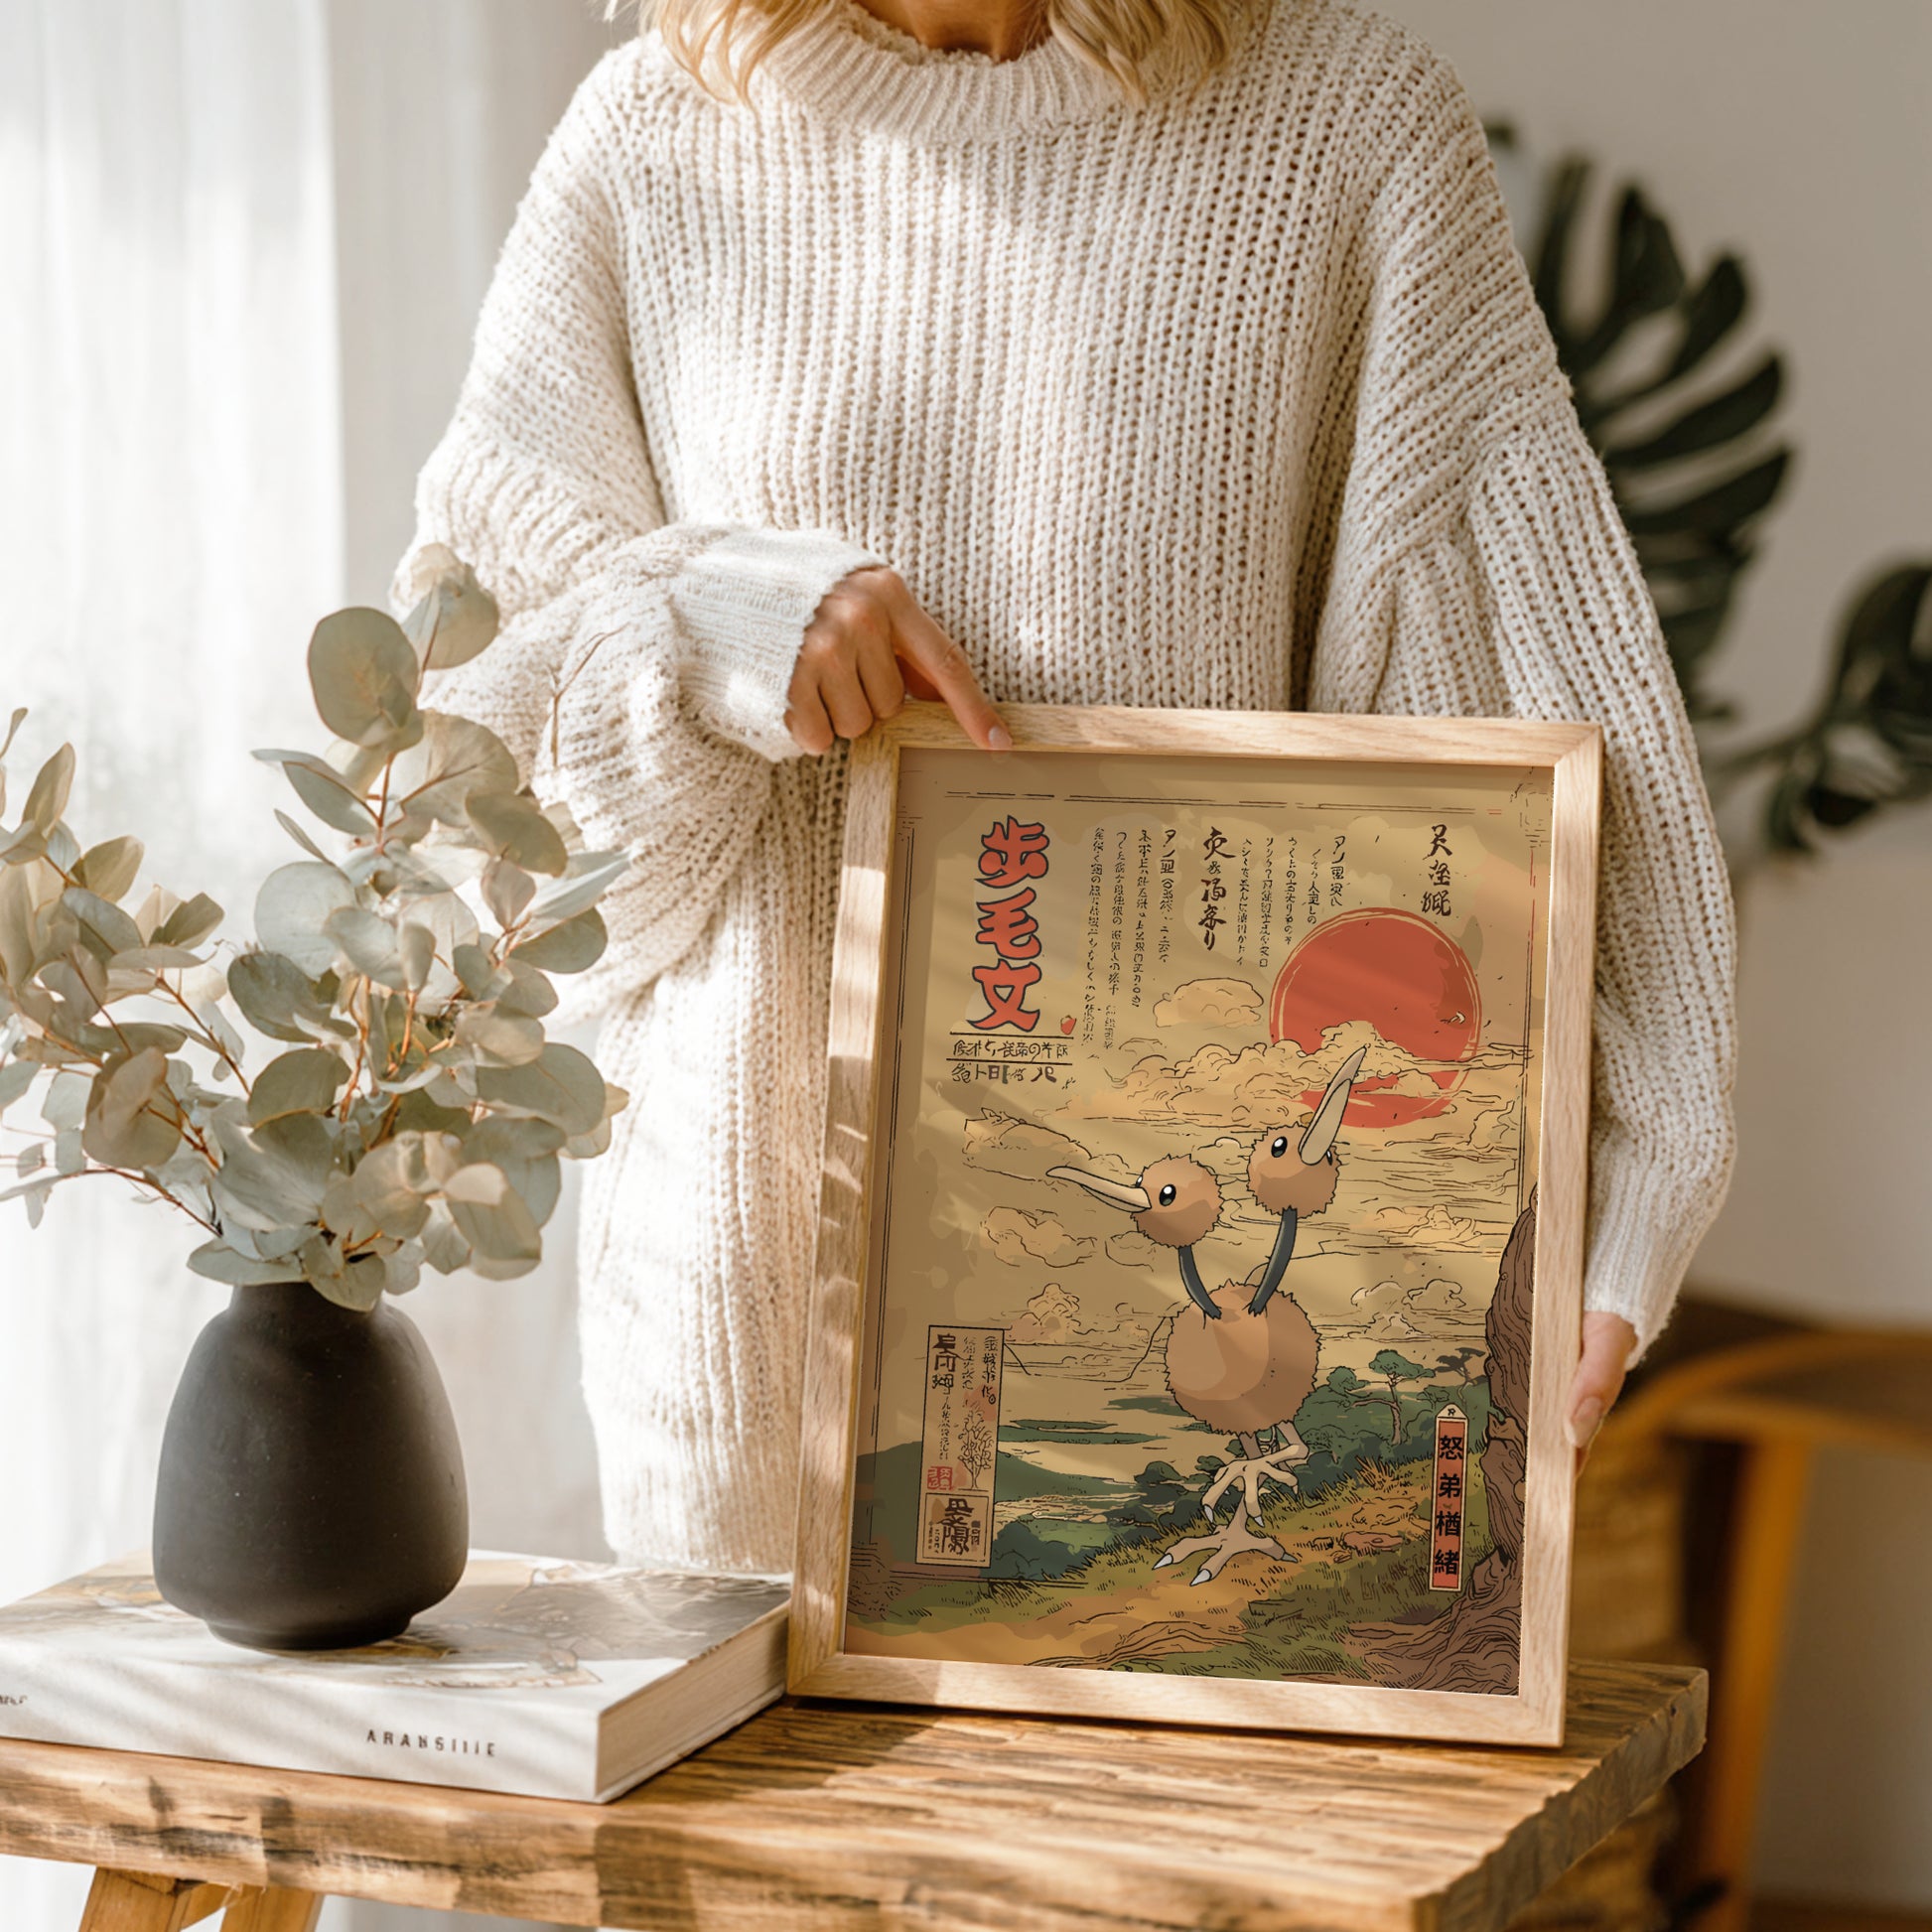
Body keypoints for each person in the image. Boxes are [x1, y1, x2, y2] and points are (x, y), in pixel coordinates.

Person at [393, 0, 1736, 1575]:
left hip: (1194, 1344)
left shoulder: (1343, 127)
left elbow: (1523, 694)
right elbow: (465, 816)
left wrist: (1626, 1172)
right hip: (743, 1337)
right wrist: (709, 620)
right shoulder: (650, 140)